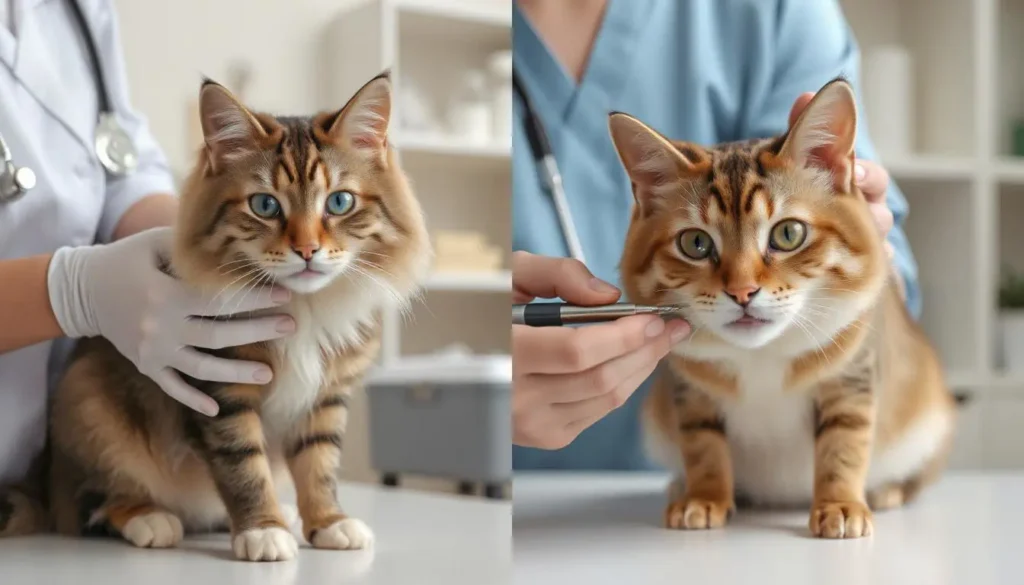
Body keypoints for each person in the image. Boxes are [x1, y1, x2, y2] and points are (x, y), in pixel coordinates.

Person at [511, 0, 917, 470]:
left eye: (784, 235)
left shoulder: (777, 12)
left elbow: (896, 282)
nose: (742, 286)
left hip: (767, 480)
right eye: (698, 244)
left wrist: (868, 260)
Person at [0, 0, 293, 486]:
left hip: (36, 480)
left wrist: (195, 256)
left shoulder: (76, 10)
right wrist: (72, 292)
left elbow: (121, 163)